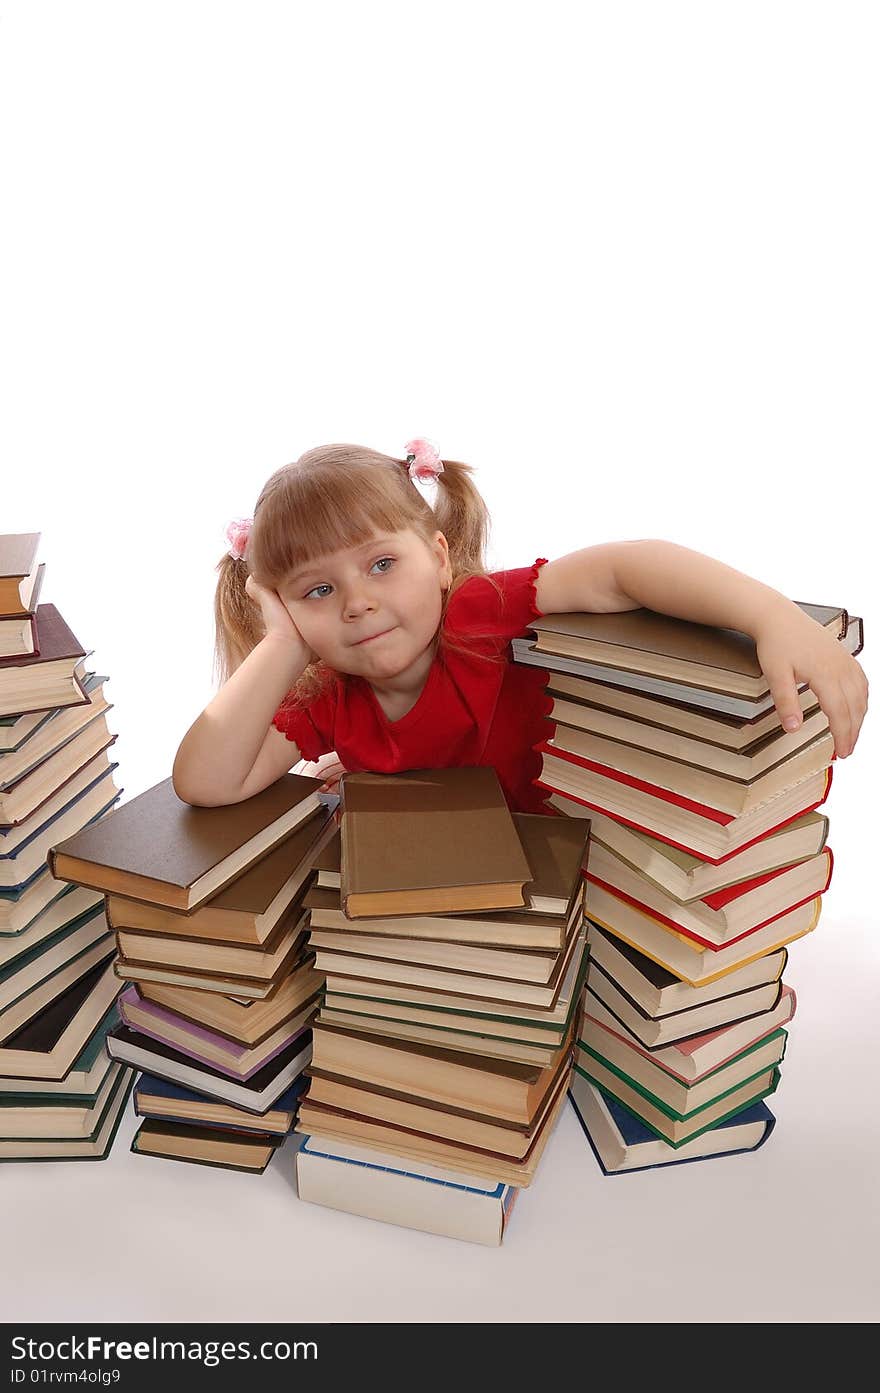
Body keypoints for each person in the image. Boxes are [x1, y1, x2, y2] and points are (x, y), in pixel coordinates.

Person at [171, 439, 868, 811]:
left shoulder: (480, 615)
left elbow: (625, 568)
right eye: (318, 590)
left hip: (589, 881)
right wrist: (283, 644)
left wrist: (769, 613)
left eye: (382, 563)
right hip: (466, 923)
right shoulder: (330, 701)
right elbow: (205, 780)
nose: (356, 602)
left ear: (440, 558)